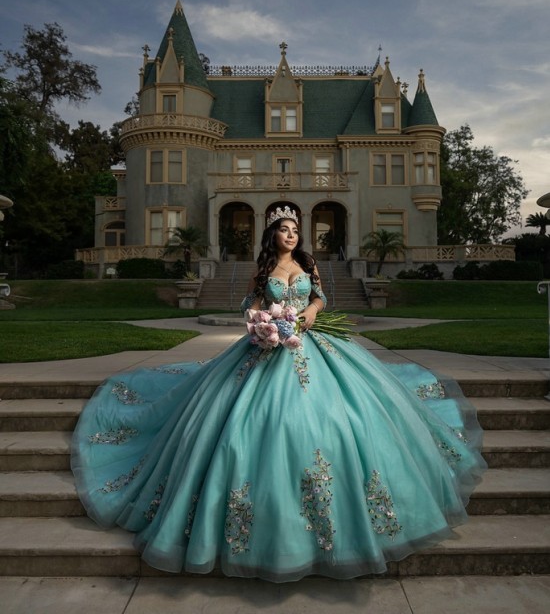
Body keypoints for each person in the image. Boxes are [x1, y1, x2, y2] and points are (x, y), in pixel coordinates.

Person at [72, 206, 487, 582]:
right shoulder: (263, 271)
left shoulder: (309, 264)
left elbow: (320, 297)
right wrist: (260, 323)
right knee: (243, 421)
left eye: (294, 230)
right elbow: (249, 305)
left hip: (311, 344)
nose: (291, 235)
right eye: (284, 230)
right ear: (272, 237)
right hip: (267, 348)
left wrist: (309, 311)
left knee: (343, 415)